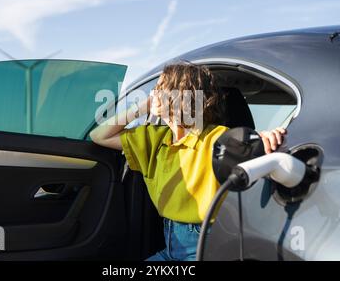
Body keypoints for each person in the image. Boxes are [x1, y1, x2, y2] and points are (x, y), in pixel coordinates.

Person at [90, 62, 286, 261]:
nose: (154, 93)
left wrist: (267, 139)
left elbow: (250, 148)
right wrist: (143, 106)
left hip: (206, 244)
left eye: (160, 88)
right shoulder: (154, 138)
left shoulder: (216, 138)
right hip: (170, 244)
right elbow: (99, 135)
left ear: (182, 95)